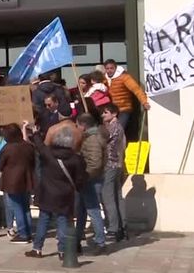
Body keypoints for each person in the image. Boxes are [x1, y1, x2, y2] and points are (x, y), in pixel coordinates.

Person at [25, 122, 87, 259]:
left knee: (43, 220)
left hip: (47, 193)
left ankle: (37, 248)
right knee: (62, 221)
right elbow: (80, 179)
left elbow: (39, 145)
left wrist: (35, 132)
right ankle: (62, 251)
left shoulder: (48, 153)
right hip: (65, 194)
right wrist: (78, 188)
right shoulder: (76, 159)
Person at [0, 124, 35, 243]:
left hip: (12, 182)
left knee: (17, 207)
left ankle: (23, 233)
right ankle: (28, 232)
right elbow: (33, 162)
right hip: (26, 180)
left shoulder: (8, 148)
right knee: (25, 207)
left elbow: (0, 165)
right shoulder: (28, 146)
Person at [76, 113, 107, 255]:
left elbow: (95, 162)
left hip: (91, 179)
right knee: (81, 210)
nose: (77, 128)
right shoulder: (91, 137)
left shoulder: (92, 139)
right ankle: (77, 240)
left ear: (83, 125)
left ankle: (100, 242)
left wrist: (85, 176)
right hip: (89, 179)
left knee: (93, 210)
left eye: (77, 125)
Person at [100, 103, 128, 241]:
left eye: (105, 113)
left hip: (110, 164)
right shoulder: (117, 127)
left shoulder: (114, 127)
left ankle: (113, 228)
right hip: (117, 165)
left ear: (114, 114)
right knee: (117, 196)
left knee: (108, 197)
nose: (103, 115)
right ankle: (122, 226)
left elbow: (103, 139)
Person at [103, 59, 150, 130]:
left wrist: (144, 102)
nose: (109, 70)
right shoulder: (105, 79)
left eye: (111, 68)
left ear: (116, 68)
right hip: (111, 110)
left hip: (124, 108)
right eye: (107, 68)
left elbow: (136, 89)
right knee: (110, 130)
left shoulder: (124, 77)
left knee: (119, 130)